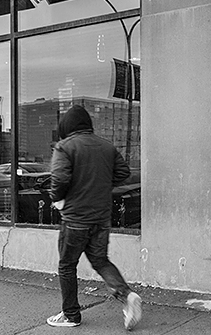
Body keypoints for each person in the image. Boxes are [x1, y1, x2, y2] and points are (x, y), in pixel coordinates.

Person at [46, 104, 142, 330]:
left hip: (75, 219)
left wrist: (57, 198)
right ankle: (127, 296)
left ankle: (71, 315)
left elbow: (59, 179)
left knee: (67, 266)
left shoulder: (65, 147)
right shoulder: (106, 146)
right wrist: (99, 185)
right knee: (100, 260)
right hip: (101, 218)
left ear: (67, 126)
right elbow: (123, 172)